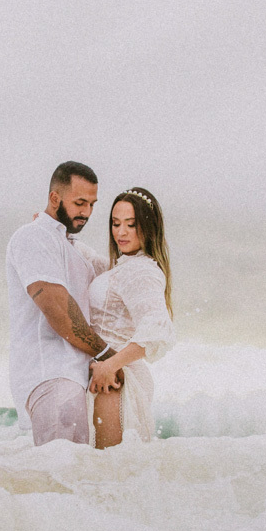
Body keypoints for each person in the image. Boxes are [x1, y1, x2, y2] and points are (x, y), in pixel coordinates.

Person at [5, 161, 114, 445]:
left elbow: (119, 274)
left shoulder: (71, 248)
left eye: (92, 204)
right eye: (80, 203)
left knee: (76, 478)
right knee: (60, 475)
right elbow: (59, 312)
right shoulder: (32, 236)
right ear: (55, 198)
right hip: (51, 374)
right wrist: (107, 354)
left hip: (74, 377)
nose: (87, 212)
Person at [81, 187, 176, 448]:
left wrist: (110, 365)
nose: (121, 232)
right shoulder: (125, 267)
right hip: (110, 376)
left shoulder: (142, 272)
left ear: (148, 226)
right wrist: (54, 232)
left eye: (131, 225)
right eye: (115, 223)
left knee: (110, 476)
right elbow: (95, 264)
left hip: (115, 381)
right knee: (105, 473)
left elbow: (157, 329)